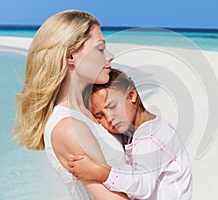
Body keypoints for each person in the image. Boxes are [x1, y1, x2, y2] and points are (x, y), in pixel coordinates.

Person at [13, 10, 129, 199]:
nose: (110, 56)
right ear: (70, 57)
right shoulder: (69, 128)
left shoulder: (93, 111)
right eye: (100, 49)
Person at [68, 69, 193, 199]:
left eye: (112, 106)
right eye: (100, 116)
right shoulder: (139, 130)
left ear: (131, 95)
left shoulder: (149, 138)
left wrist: (100, 172)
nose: (109, 118)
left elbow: (143, 186)